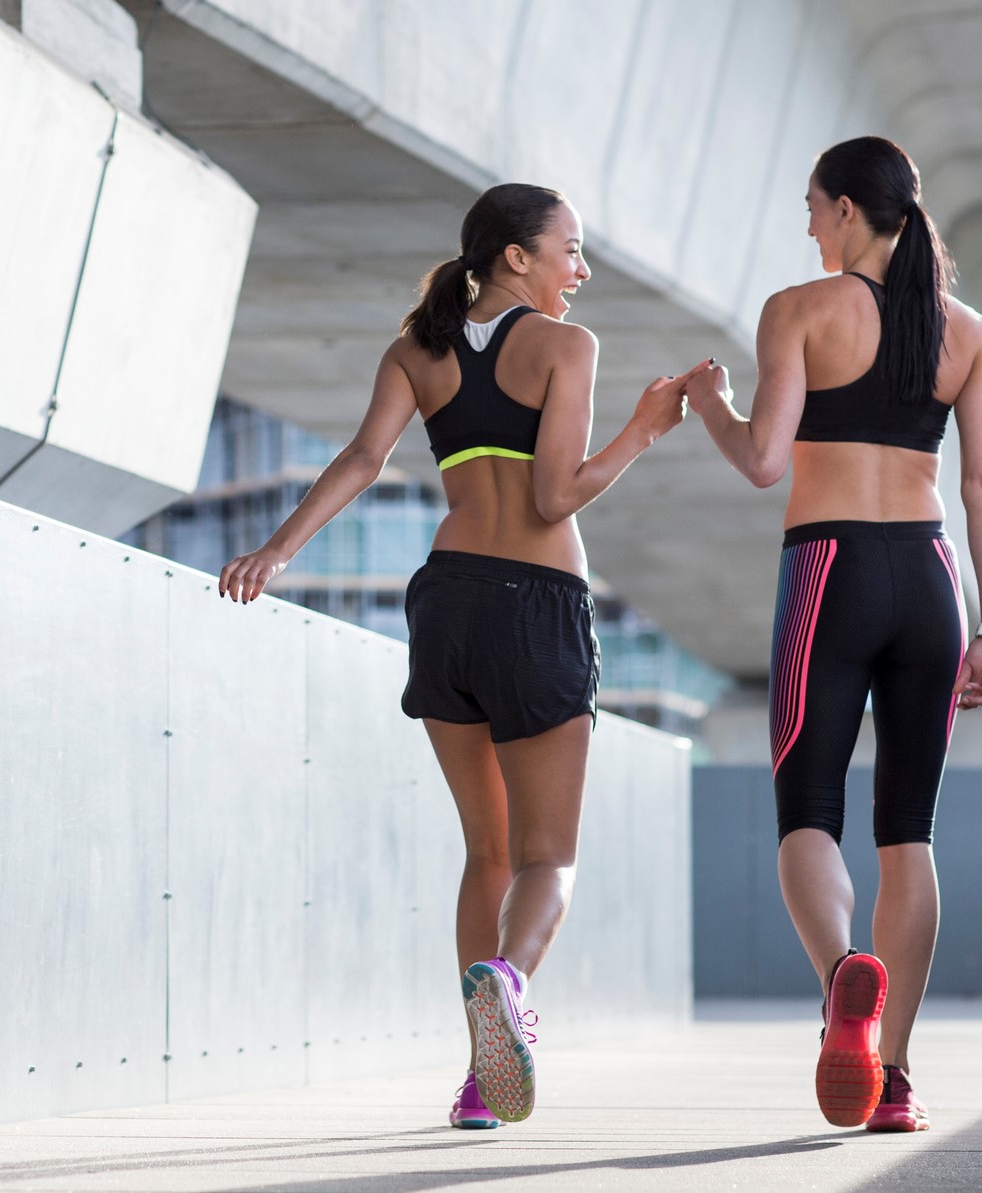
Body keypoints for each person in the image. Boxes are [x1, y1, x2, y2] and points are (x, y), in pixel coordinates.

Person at [219, 184, 692, 1128]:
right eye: (570, 249)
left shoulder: (416, 349)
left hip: (446, 605)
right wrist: (644, 430)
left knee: (486, 850)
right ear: (516, 256)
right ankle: (509, 984)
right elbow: (556, 497)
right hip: (537, 605)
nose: (581, 270)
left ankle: (482, 1080)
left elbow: (360, 457)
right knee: (547, 857)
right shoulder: (566, 347)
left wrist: (277, 550)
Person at [684, 137, 982, 1133]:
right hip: (931, 577)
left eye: (812, 206)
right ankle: (896, 1078)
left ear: (842, 212)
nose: (808, 225)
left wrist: (710, 404)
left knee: (807, 816)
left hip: (828, 570)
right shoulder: (969, 333)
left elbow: (760, 457)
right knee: (908, 834)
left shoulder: (799, 310)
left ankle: (843, 985)